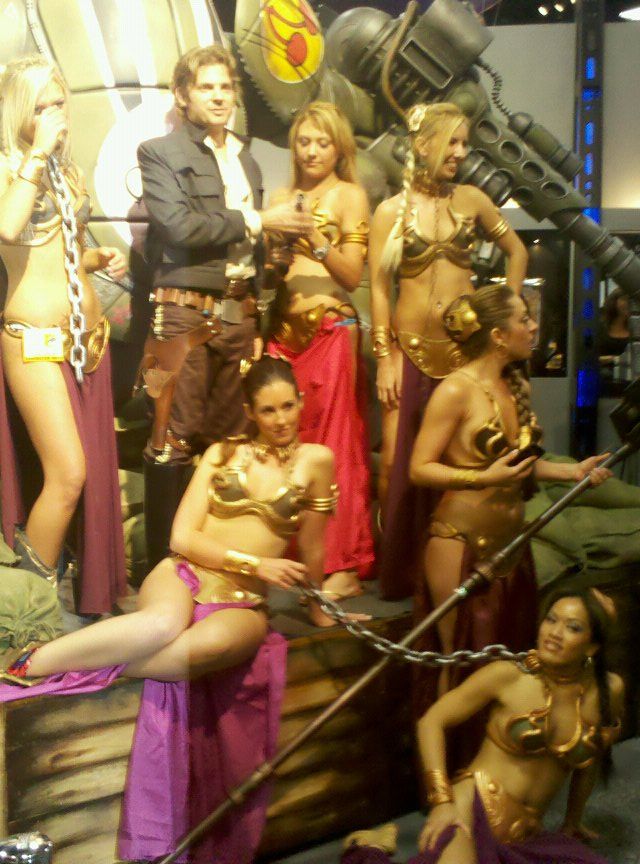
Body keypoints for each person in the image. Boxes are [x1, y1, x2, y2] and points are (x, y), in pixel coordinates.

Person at [0, 356, 351, 863]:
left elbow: (313, 550)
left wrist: (319, 611)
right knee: (161, 623)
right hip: (185, 572)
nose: (281, 419)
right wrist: (256, 561)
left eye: (288, 406)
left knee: (202, 647)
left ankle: (82, 667)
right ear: (250, 411)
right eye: (268, 410)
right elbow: (182, 538)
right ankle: (29, 664)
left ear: (300, 402)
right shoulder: (222, 454)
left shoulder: (318, 461)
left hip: (244, 602)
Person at [137, 44, 313, 566]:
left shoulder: (245, 158)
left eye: (225, 87)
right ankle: (162, 572)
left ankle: (208, 563)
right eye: (206, 87)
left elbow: (248, 252)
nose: (218, 97)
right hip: (183, 313)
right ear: (182, 95)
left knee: (226, 443)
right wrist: (261, 220)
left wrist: (261, 306)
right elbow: (178, 227)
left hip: (237, 316)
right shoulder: (158, 152)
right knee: (171, 439)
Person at [409, 286, 611, 705]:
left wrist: (572, 471)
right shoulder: (455, 390)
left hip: (513, 545)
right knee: (459, 659)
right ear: (498, 336)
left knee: (509, 658)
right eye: (524, 319)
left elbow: (520, 466)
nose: (533, 327)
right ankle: (449, 745)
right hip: (459, 542)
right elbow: (420, 467)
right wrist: (480, 478)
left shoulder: (515, 386)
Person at [369, 102, 528, 599]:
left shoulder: (473, 200)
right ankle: (397, 571)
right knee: (396, 463)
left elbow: (517, 251)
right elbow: (379, 288)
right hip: (408, 352)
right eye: (452, 142)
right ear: (422, 145)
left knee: (462, 458)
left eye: (464, 143)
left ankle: (452, 566)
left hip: (464, 355)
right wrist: (384, 355)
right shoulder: (390, 212)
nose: (461, 152)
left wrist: (504, 311)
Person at [341, 587, 624, 864]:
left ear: (593, 646)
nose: (554, 633)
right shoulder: (508, 676)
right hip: (469, 810)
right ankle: (371, 846)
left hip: (526, 833)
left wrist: (572, 821)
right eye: (551, 620)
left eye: (573, 627)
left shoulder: (608, 691)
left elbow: (592, 757)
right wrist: (441, 802)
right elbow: (432, 721)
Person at [0, 56, 127, 614]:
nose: (56, 115)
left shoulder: (67, 172)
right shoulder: (9, 168)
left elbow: (64, 256)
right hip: (32, 340)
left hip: (86, 340)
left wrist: (98, 258)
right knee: (68, 473)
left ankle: (58, 600)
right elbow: (8, 228)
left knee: (92, 477)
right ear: (19, 112)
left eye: (60, 103)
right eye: (42, 106)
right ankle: (23, 615)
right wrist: (35, 154)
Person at [266, 101, 374, 599]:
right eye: (304, 142)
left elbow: (352, 275)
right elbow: (271, 275)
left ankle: (341, 565)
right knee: (283, 445)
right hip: (282, 333)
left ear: (339, 148)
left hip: (330, 331)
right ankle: (293, 556)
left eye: (322, 142)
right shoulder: (281, 196)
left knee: (335, 449)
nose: (312, 151)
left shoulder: (350, 195)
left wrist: (313, 236)